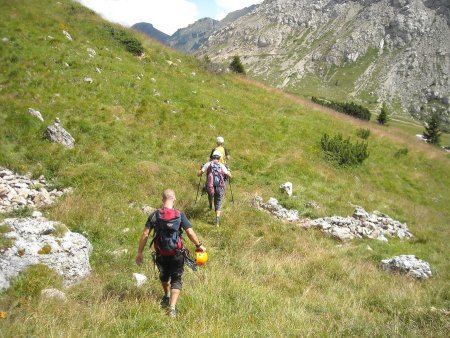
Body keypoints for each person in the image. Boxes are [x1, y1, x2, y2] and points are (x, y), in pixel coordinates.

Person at [135, 189, 206, 318]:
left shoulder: (154, 215)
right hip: (176, 253)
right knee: (176, 278)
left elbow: (145, 234)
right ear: (174, 199)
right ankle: (172, 308)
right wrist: (199, 245)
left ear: (163, 200)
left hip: (161, 253)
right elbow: (190, 233)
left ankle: (166, 296)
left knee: (163, 275)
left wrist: (139, 252)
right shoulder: (180, 215)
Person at [197, 151, 231, 226]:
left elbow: (198, 174)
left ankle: (210, 206)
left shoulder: (208, 164)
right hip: (219, 186)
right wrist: (228, 169)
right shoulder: (221, 165)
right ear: (219, 158)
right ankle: (217, 222)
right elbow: (230, 175)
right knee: (218, 202)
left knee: (210, 195)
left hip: (210, 186)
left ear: (212, 157)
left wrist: (201, 168)